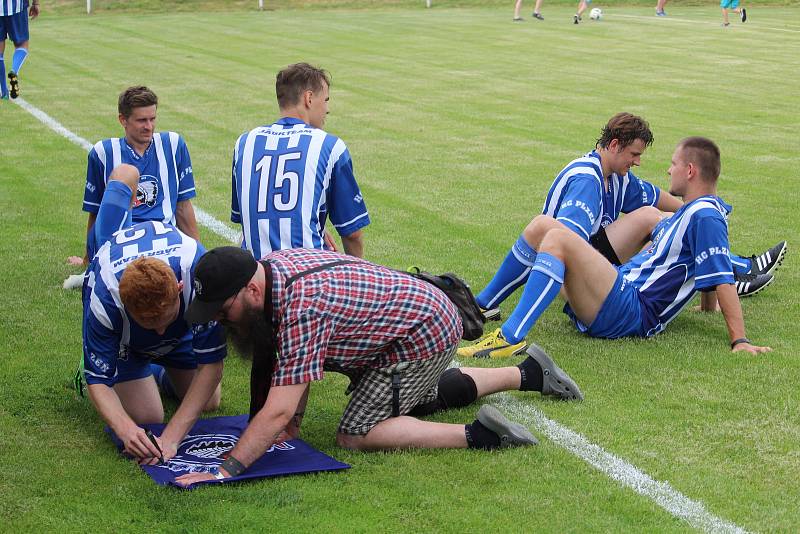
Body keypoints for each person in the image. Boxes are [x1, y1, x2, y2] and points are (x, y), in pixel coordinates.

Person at [172, 246, 584, 485]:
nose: (220, 318)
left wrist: (225, 471)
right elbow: (288, 363)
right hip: (409, 320)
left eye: (223, 309)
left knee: (356, 433)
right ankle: (529, 372)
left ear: (252, 288)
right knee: (411, 399)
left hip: (422, 331)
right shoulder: (273, 269)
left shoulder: (300, 307)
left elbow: (280, 403)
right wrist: (289, 425)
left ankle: (481, 435)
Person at [459, 113, 783, 358]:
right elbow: (706, 262)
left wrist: (739, 340)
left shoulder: (702, 214)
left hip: (633, 308)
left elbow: (715, 271)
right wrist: (708, 305)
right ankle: (484, 305)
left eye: (672, 164)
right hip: (619, 289)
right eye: (636, 155)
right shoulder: (688, 211)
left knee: (554, 235)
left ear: (690, 172)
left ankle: (510, 338)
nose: (664, 169)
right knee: (545, 229)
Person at [81, 174, 227, 464]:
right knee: (146, 417)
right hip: (129, 344)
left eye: (165, 318)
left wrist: (172, 437)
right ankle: (111, 358)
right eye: (149, 323)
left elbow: (212, 366)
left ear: (180, 288)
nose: (161, 331)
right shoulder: (103, 295)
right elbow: (97, 381)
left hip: (176, 332)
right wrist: (125, 429)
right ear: (124, 304)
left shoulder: (198, 270)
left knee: (210, 401)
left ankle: (158, 373)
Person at [231, 63, 369, 261]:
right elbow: (352, 233)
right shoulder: (330, 146)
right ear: (309, 98)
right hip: (309, 278)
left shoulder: (245, 142)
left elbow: (246, 215)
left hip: (256, 278)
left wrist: (313, 224)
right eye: (326, 100)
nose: (327, 109)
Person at [71, 85, 200, 266]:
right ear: (123, 120)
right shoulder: (103, 153)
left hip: (164, 238)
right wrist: (89, 261)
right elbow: (97, 212)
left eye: (153, 119)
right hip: (123, 242)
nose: (149, 126)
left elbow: (183, 205)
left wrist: (199, 257)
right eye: (142, 120)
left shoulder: (173, 144)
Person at [1, 0, 39, 100]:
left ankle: (4, 93)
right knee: (22, 45)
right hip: (17, 6)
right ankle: (14, 71)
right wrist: (36, 3)